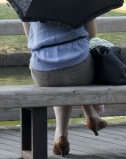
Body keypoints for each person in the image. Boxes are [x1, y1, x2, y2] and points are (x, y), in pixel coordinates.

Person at [23, 20, 106, 156]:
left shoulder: (29, 2)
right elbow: (92, 34)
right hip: (78, 68)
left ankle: (60, 134)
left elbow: (30, 38)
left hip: (43, 71)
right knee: (76, 71)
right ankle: (91, 113)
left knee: (59, 80)